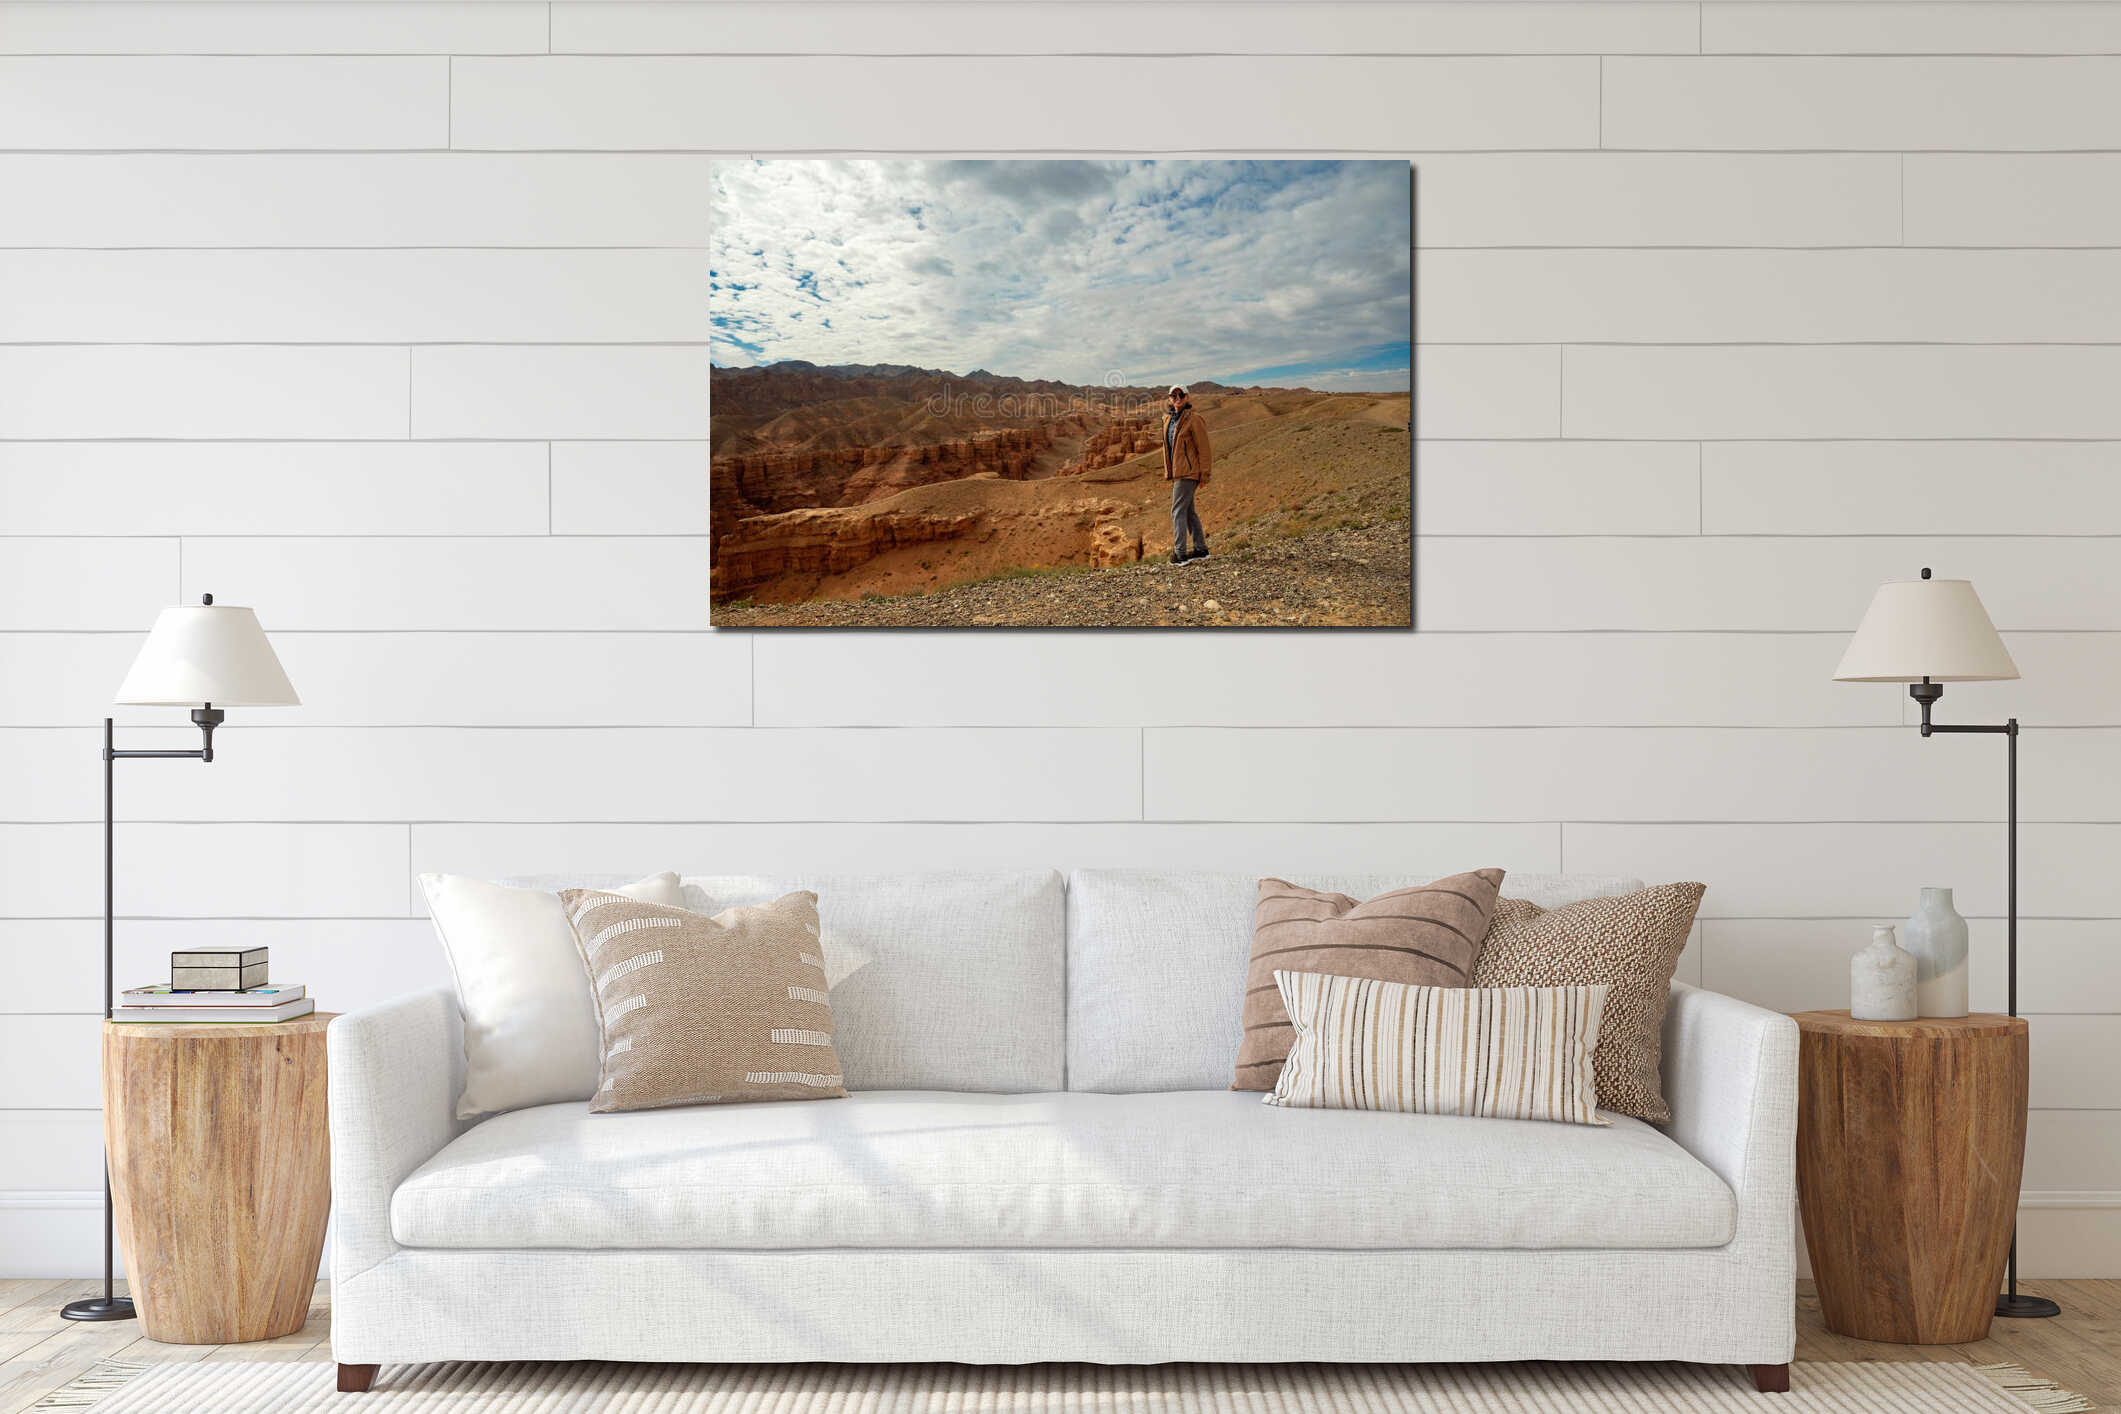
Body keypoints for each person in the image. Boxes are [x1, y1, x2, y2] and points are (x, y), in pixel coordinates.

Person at [1161, 384, 1212, 563]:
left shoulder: (1194, 419)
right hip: (1178, 473)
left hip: (1188, 472)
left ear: (1187, 397)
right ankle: (1201, 550)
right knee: (1189, 512)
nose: (1177, 398)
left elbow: (1204, 448)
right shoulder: (1169, 420)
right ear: (1169, 398)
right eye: (1173, 396)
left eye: (1180, 395)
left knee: (1177, 511)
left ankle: (1180, 554)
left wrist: (1204, 474)